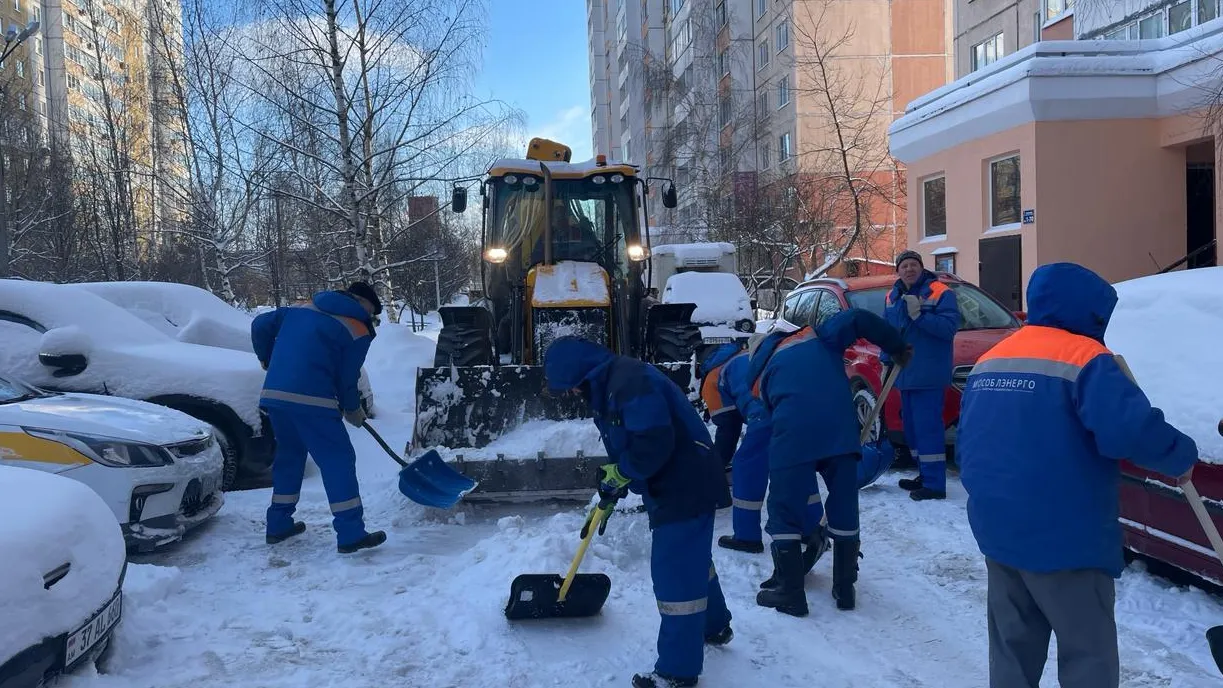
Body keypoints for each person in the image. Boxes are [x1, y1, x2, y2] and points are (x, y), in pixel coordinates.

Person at [957, 262, 1197, 688]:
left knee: (1012, 652)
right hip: (1065, 540)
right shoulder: (1086, 359)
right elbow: (1129, 431)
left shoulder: (989, 361)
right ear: (1090, 311)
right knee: (1088, 656)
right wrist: (1180, 455)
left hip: (999, 534)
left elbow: (969, 445)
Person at [544, 336, 732, 688]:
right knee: (691, 561)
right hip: (673, 482)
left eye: (570, 386)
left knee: (675, 572)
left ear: (582, 374)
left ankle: (677, 672)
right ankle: (715, 625)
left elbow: (653, 443)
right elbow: (629, 442)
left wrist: (625, 471)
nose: (571, 394)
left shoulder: (629, 382)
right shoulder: (609, 387)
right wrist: (615, 483)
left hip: (685, 482)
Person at [748, 310, 909, 616]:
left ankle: (790, 591)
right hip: (840, 431)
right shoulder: (818, 337)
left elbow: (767, 416)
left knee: (784, 509)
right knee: (844, 504)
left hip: (793, 435)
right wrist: (896, 345)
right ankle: (845, 587)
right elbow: (859, 318)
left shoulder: (759, 375)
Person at [251, 281, 387, 555]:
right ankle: (351, 534)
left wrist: (266, 358)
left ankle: (278, 524)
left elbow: (259, 324)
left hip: (276, 396)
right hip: (313, 400)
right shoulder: (357, 329)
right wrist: (352, 409)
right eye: (371, 311)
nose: (370, 318)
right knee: (338, 460)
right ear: (360, 302)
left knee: (290, 457)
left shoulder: (302, 308)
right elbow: (347, 376)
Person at [705, 334, 828, 567]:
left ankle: (746, 535)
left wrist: (714, 470)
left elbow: (727, 432)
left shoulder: (714, 378)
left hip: (766, 414)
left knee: (747, 466)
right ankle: (811, 527)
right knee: (799, 466)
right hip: (796, 410)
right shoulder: (749, 357)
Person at [884, 249, 958, 501]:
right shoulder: (892, 296)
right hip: (904, 373)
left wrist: (919, 316)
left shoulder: (941, 292)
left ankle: (935, 484)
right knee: (912, 430)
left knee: (928, 429)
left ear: (922, 267)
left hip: (928, 373)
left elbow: (948, 329)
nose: (909, 269)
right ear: (898, 270)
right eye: (904, 265)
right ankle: (924, 475)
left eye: (914, 264)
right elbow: (889, 332)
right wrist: (885, 358)